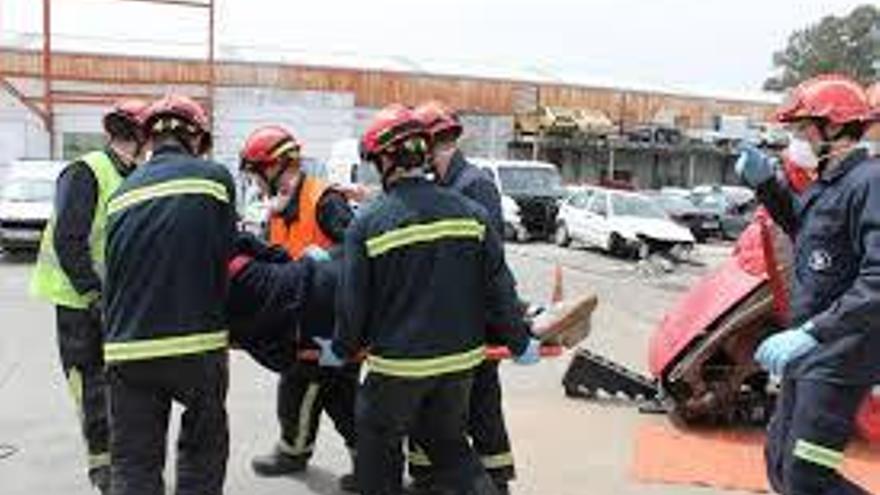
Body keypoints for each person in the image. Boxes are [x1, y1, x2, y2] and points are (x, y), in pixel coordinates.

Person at [315, 104, 542, 495]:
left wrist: (340, 348)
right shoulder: (471, 213)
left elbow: (353, 306)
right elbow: (499, 288)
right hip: (460, 365)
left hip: (398, 368)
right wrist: (521, 343)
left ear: (387, 160)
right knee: (449, 445)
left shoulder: (368, 223)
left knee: (378, 448)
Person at [736, 74, 877, 495]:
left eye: (802, 129)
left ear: (834, 128)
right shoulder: (829, 183)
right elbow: (804, 228)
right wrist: (766, 185)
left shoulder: (870, 182)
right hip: (809, 352)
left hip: (840, 357)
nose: (795, 139)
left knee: (808, 476)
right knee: (779, 465)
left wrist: (814, 333)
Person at [103, 94, 236, 495]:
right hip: (196, 343)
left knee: (133, 465)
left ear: (148, 141)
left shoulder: (120, 194)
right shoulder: (214, 178)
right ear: (195, 138)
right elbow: (225, 256)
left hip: (126, 349)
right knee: (202, 451)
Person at [30, 99, 149, 494]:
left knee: (119, 384)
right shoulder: (86, 172)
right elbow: (69, 239)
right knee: (91, 385)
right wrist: (92, 293)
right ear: (138, 135)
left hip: (111, 302)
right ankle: (103, 469)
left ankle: (119, 459)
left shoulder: (132, 175)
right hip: (78, 302)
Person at [238, 125, 358, 488]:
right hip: (298, 318)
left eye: (257, 176)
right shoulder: (278, 208)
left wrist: (326, 258)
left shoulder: (325, 200)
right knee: (314, 390)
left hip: (332, 320)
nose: (256, 186)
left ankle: (356, 459)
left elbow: (359, 252)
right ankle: (304, 449)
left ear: (274, 168)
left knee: (325, 394)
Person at [409, 100, 516, 493]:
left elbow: (487, 262)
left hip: (474, 321)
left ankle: (495, 480)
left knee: (481, 403)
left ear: (433, 141)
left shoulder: (474, 185)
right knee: (432, 404)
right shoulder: (441, 185)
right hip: (446, 321)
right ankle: (427, 477)